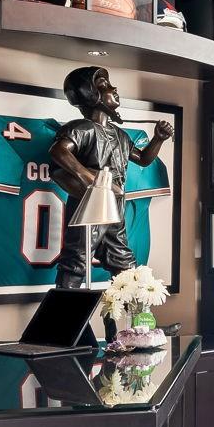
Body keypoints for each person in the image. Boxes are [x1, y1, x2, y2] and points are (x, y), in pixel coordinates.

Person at [47, 66, 173, 289]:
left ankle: (133, 312)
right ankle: (64, 311)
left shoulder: (120, 135)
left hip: (115, 208)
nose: (113, 89)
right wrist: (89, 178)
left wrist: (158, 139)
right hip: (89, 206)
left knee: (124, 263)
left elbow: (143, 159)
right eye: (104, 85)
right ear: (89, 94)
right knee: (76, 261)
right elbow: (59, 151)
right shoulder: (83, 128)